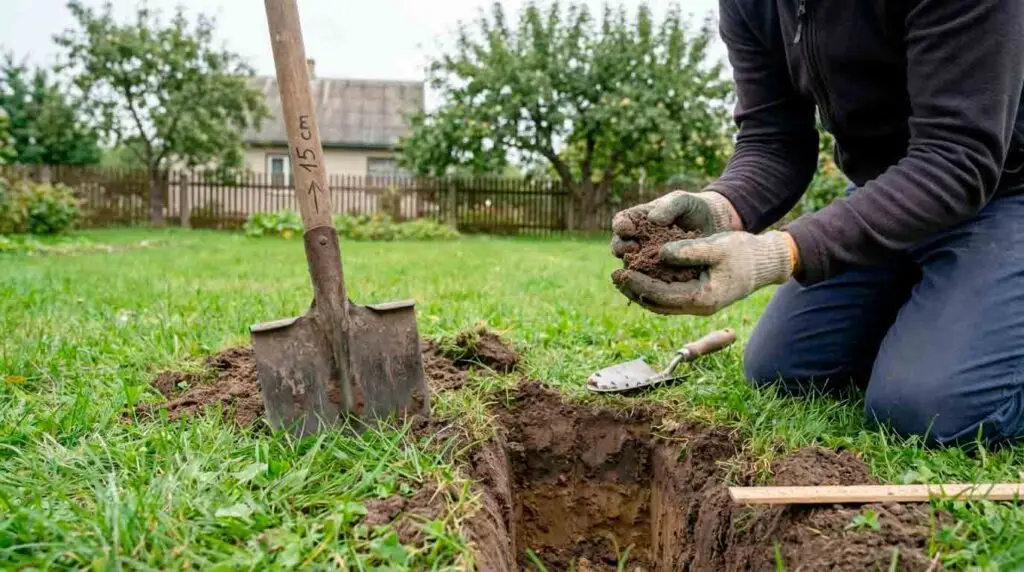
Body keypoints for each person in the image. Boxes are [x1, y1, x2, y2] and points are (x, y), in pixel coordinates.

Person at [610, 0, 1024, 448]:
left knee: (930, 412)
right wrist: (717, 209)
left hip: (1005, 189)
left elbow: (955, 158)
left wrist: (779, 253)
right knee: (783, 371)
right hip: (889, 194)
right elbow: (773, 140)